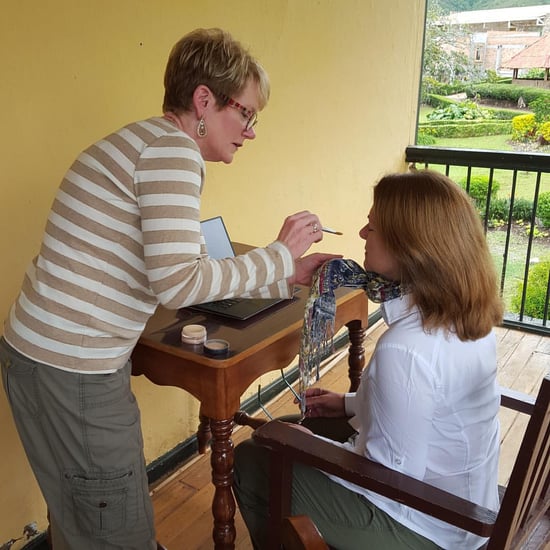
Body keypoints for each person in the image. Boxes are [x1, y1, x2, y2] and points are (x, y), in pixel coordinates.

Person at [0, 28, 336, 550]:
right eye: (245, 113)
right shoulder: (174, 153)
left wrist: (283, 275)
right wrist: (281, 250)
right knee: (118, 531)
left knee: (80, 518)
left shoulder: (140, 142)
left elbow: (178, 266)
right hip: (75, 372)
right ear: (204, 99)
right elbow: (179, 284)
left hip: (37, 358)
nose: (251, 131)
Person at [234, 169, 505, 550]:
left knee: (252, 458)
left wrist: (309, 446)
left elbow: (389, 478)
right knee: (292, 425)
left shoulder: (407, 348)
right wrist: (349, 403)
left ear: (409, 247)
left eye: (372, 227)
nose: (362, 233)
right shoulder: (468, 315)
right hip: (463, 503)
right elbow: (427, 406)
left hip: (428, 524)